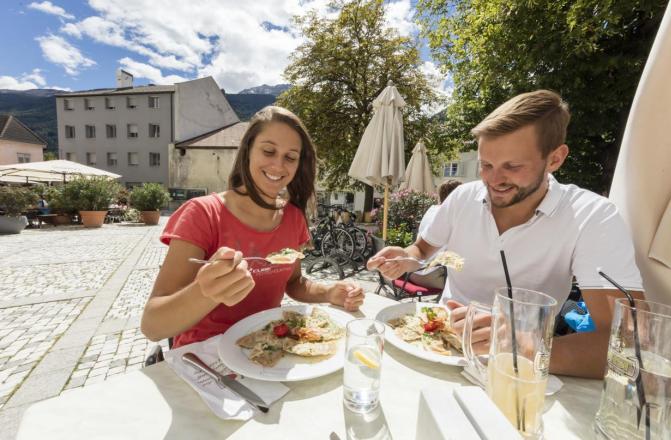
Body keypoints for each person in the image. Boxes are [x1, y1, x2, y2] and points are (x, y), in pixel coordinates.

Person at [368, 90, 643, 378]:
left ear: (555, 159)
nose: (493, 180)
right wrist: (407, 257)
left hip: (524, 372)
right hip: (435, 349)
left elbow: (631, 348)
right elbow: (422, 250)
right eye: (486, 165)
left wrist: (522, 346)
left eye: (512, 167)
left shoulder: (592, 216)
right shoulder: (462, 197)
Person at [141, 106, 365, 348]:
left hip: (269, 348)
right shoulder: (203, 213)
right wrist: (204, 291)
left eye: (290, 157)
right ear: (247, 150)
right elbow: (153, 326)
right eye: (269, 151)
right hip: (205, 358)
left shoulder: (293, 217)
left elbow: (293, 282)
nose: (279, 165)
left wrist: (329, 292)